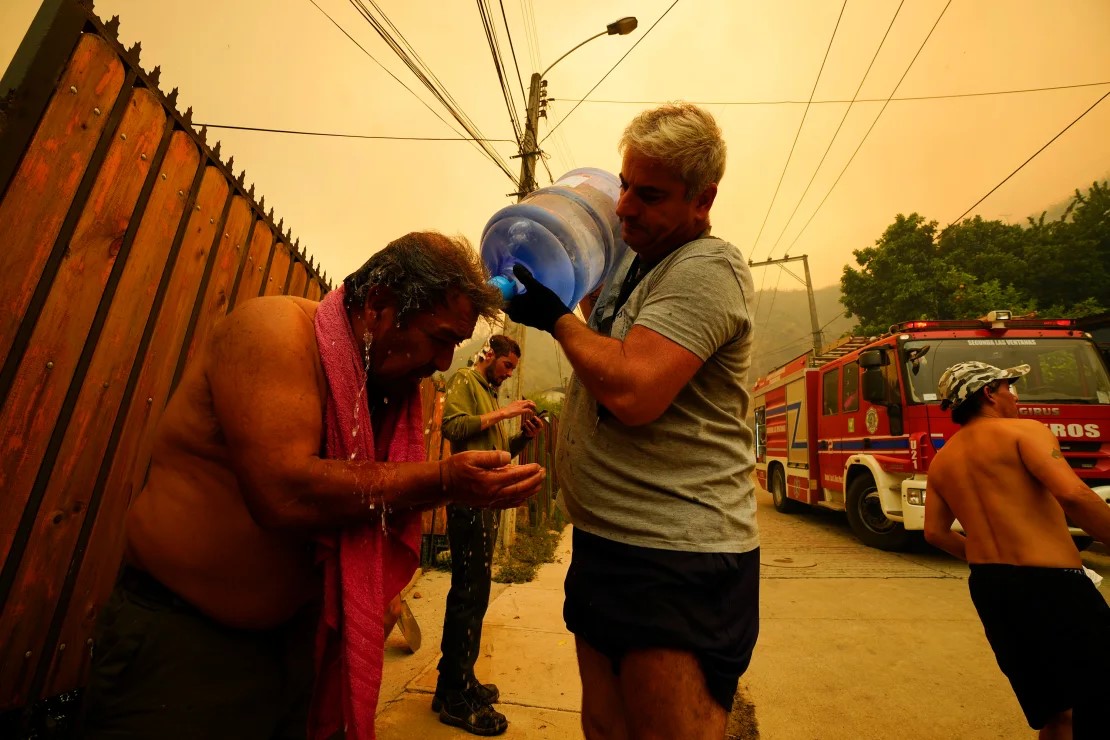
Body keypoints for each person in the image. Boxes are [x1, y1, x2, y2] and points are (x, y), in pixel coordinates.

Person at [82, 232, 545, 740]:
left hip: (295, 649)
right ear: (379, 304)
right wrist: (442, 480)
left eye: (454, 346)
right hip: (183, 648)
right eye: (439, 339)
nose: (441, 363)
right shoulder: (275, 331)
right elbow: (282, 491)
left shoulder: (377, 386)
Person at [507, 103, 760, 739]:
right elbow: (590, 287)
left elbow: (634, 390)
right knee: (606, 727)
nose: (624, 208)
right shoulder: (634, 268)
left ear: (703, 200)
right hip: (606, 543)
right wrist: (556, 250)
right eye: (624, 185)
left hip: (675, 556)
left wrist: (555, 317)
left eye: (649, 195)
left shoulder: (707, 269)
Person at [925, 361, 1110, 740]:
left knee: (1056, 711)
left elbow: (935, 532)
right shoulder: (1025, 432)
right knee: (1094, 698)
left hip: (991, 588)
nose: (1015, 395)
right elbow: (1074, 495)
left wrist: (988, 560)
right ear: (988, 392)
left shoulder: (942, 460)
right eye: (1010, 386)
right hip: (1054, 586)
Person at [433, 334, 543, 735]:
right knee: (467, 595)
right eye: (507, 366)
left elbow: (498, 452)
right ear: (491, 356)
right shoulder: (465, 380)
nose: (508, 373)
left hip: (486, 503)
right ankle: (456, 699)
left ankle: (455, 683)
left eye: (513, 368)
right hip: (468, 503)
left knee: (474, 595)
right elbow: (452, 426)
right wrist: (504, 413)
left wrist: (523, 435)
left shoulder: (489, 394)